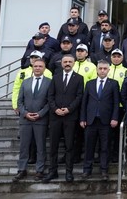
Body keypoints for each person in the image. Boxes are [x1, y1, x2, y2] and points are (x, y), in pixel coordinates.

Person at [43, 54, 84, 183]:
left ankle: (69, 172)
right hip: (55, 117)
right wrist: (55, 109)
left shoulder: (79, 78)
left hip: (70, 117)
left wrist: (69, 109)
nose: (67, 64)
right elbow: (50, 96)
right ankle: (52, 171)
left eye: (70, 62)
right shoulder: (55, 77)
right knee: (53, 145)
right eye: (65, 61)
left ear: (74, 63)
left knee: (69, 146)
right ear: (61, 63)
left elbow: (79, 96)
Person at [80, 60, 120, 180]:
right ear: (97, 70)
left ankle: (104, 170)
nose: (102, 71)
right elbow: (84, 102)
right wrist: (83, 118)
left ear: (108, 70)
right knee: (89, 146)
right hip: (91, 120)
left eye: (105, 69)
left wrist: (114, 118)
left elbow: (116, 103)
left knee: (105, 147)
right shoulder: (90, 84)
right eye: (100, 68)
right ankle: (87, 170)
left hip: (106, 121)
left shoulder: (113, 84)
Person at [11, 51, 52, 167]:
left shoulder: (50, 82)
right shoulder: (25, 82)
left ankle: (40, 169)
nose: (37, 68)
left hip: (41, 119)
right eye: (36, 66)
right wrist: (25, 113)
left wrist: (40, 113)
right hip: (25, 119)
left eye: (40, 66)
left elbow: (50, 101)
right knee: (24, 146)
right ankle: (21, 169)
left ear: (44, 68)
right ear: (32, 67)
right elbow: (20, 101)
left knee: (41, 147)